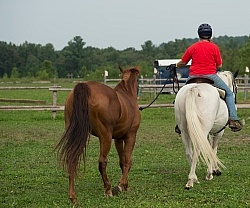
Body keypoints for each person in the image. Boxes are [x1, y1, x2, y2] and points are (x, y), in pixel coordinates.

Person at [174, 23, 242, 133]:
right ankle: (233, 119)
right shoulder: (214, 47)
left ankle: (179, 123)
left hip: (193, 77)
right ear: (210, 35)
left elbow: (183, 62)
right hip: (210, 76)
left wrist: (176, 65)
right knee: (229, 93)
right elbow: (219, 65)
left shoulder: (192, 47)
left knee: (180, 95)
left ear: (199, 35)